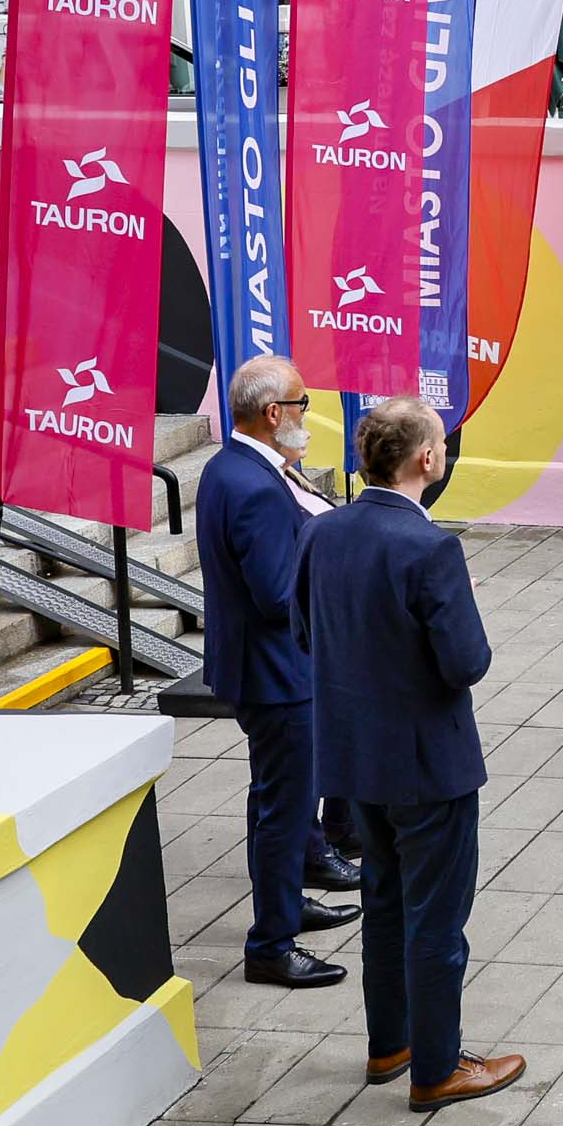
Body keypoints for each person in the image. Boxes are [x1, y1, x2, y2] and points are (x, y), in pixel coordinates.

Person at [298, 399, 522, 1111]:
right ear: (426, 459)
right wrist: (462, 604)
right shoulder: (430, 549)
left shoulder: (324, 531)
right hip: (428, 764)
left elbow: (308, 632)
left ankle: (388, 1043)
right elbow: (466, 663)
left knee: (385, 902)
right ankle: (435, 1066)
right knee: (435, 916)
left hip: (356, 758)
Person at [197, 355, 359, 990]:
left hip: (262, 670)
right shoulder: (258, 487)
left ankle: (288, 905)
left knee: (274, 798)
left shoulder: (229, 467)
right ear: (273, 415)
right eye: (301, 404)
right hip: (278, 675)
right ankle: (271, 943)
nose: (306, 415)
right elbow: (274, 594)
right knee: (285, 807)